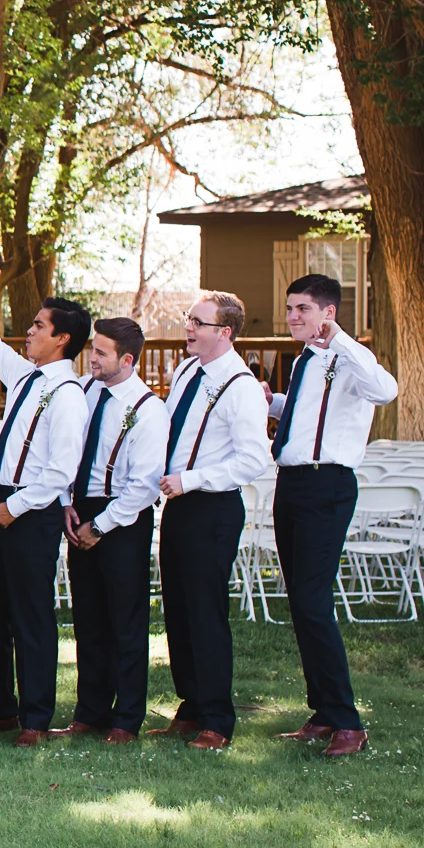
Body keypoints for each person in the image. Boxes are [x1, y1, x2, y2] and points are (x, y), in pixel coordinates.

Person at [0, 262, 91, 747]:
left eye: (38, 325)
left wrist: (16, 507)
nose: (30, 331)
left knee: (30, 614)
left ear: (61, 339)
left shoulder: (68, 395)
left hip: (32, 509)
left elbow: (62, 469)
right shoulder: (25, 377)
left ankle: (35, 718)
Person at [268, 273, 395, 758]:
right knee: (301, 602)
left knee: (313, 600)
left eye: (303, 308)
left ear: (328, 312)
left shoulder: (349, 357)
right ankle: (322, 712)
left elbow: (384, 390)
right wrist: (272, 403)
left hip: (327, 486)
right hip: (292, 483)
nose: (293, 316)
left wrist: (340, 340)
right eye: (290, 308)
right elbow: (306, 416)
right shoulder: (306, 360)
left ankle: (347, 722)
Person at [153, 290, 271, 750]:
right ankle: (191, 705)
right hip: (179, 505)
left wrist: (192, 479)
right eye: (189, 319)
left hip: (213, 507)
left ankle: (218, 720)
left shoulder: (241, 387)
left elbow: (253, 460)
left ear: (224, 332)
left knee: (205, 613)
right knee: (178, 610)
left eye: (198, 322)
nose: (188, 327)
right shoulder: (187, 370)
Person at [59, 317, 168, 744]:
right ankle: (90, 711)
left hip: (122, 518)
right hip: (80, 509)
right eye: (93, 349)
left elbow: (144, 485)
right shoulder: (84, 392)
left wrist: (100, 526)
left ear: (127, 360)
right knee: (88, 617)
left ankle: (126, 718)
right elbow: (67, 450)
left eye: (101, 353)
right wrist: (67, 503)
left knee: (126, 620)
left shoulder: (148, 408)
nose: (92, 358)